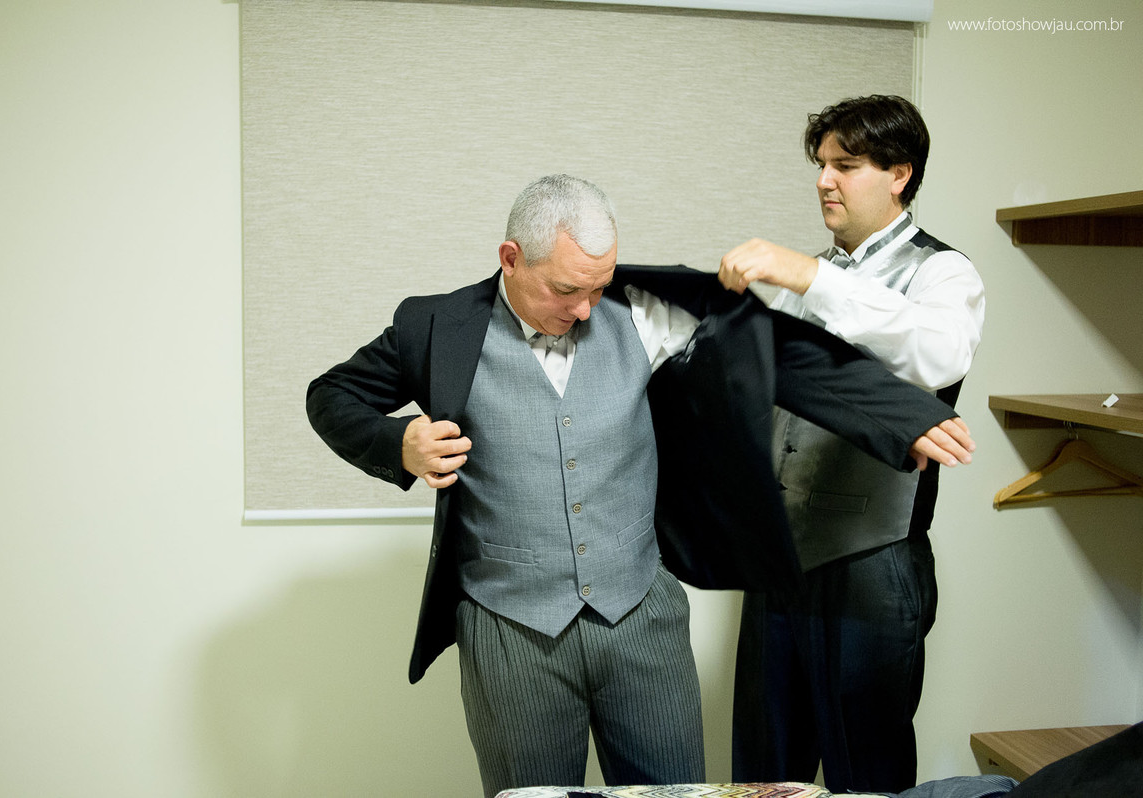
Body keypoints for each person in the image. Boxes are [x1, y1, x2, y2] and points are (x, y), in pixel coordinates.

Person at [307, 174, 975, 797]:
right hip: (508, 629)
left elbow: (781, 354)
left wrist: (902, 416)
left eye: (599, 287)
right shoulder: (436, 328)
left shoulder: (644, 311)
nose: (586, 309)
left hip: (641, 620)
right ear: (511, 258)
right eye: (566, 290)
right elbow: (331, 394)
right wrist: (397, 442)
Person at [718, 95, 986, 793]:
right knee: (765, 773)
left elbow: (937, 354)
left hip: (874, 559)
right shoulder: (798, 277)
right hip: (777, 557)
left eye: (846, 165)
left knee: (866, 776)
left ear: (899, 173)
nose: (824, 181)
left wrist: (813, 279)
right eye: (821, 165)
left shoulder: (943, 273)